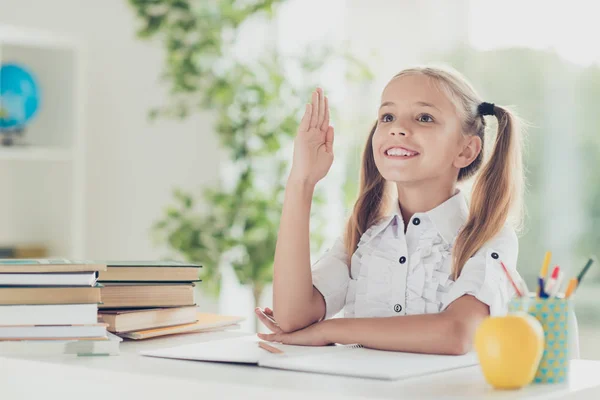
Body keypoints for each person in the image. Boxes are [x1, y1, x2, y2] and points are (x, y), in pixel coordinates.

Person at [256, 65, 524, 355]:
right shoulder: (364, 235)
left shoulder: (488, 238)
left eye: (424, 117)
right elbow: (292, 318)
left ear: (466, 151)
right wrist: (302, 181)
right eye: (388, 116)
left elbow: (458, 334)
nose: (398, 127)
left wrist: (329, 330)